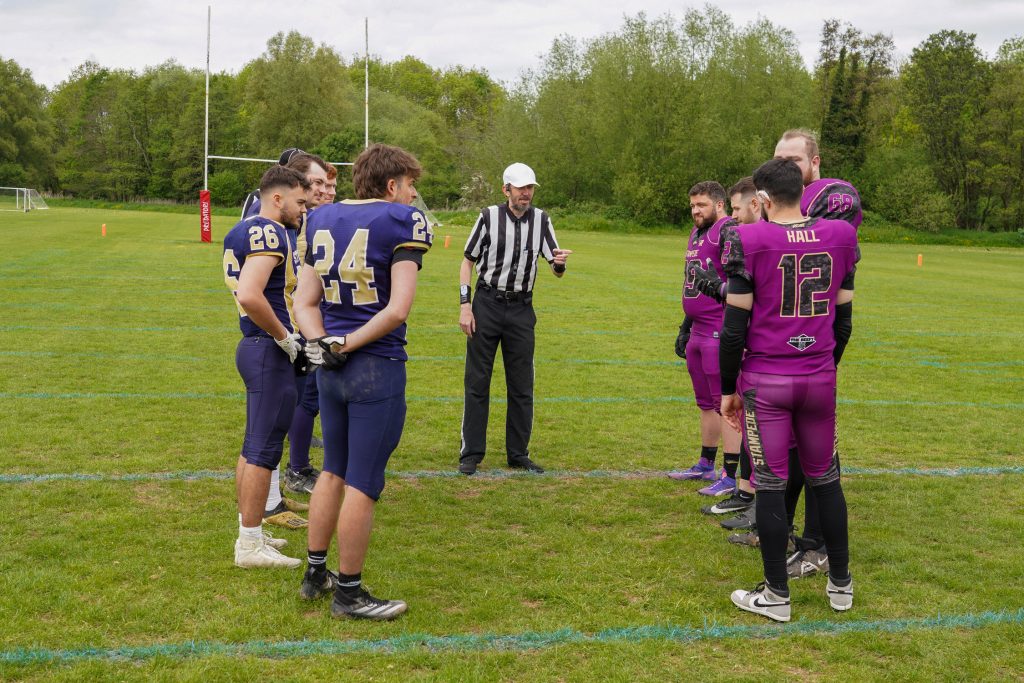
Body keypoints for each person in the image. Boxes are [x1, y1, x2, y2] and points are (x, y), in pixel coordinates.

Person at [294, 143, 432, 620]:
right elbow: (397, 309)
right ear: (392, 184)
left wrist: (324, 344)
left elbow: (303, 302)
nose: (413, 196)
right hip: (374, 365)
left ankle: (315, 573)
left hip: (331, 368)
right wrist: (349, 344)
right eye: (410, 185)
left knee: (332, 470)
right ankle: (349, 594)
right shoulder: (402, 221)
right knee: (363, 481)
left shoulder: (321, 217)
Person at [720, 158, 858, 622]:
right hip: (818, 377)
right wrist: (821, 367)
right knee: (826, 479)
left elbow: (733, 331)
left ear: (761, 199)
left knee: (772, 484)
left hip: (768, 381)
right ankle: (841, 584)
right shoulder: (841, 235)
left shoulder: (747, 239)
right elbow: (843, 323)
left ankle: (777, 595)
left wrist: (728, 389)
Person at [773, 128, 863, 579]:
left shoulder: (834, 197)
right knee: (790, 446)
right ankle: (784, 528)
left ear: (815, 161)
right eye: (779, 159)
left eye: (794, 159)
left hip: (817, 337)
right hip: (782, 338)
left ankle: (817, 545)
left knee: (818, 450)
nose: (785, 166)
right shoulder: (786, 199)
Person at [457, 163, 572, 475]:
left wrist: (560, 263)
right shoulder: (488, 217)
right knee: (478, 381)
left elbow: (555, 268)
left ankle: (518, 453)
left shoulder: (542, 220)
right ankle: (471, 453)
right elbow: (467, 262)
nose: (526, 193)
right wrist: (465, 306)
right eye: (520, 188)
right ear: (506, 189)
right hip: (487, 304)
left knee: (522, 384)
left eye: (530, 187)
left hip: (521, 309)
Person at [222, 165, 309, 568]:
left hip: (254, 346)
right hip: (266, 348)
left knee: (253, 447)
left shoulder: (241, 229)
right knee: (263, 450)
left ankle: (251, 529)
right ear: (277, 197)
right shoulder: (269, 231)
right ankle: (249, 544)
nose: (303, 209)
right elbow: (250, 294)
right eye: (299, 201)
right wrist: (285, 336)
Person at [668, 182, 743, 498]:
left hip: (718, 328)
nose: (695, 210)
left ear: (720, 204)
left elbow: (739, 280)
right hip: (698, 329)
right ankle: (705, 464)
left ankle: (731, 474)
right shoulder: (697, 233)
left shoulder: (727, 230)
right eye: (692, 205)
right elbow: (695, 283)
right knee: (705, 403)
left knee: (726, 404)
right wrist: (686, 325)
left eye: (701, 205)